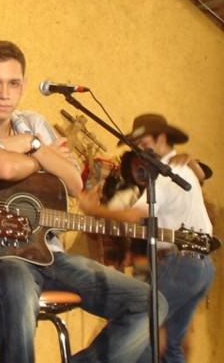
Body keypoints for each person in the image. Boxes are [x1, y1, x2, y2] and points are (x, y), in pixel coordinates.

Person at [0, 40, 167, 363]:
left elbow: (75, 184)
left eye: (14, 83)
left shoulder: (33, 123)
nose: (4, 94)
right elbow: (1, 166)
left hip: (50, 255)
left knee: (151, 303)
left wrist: (30, 145)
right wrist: (42, 155)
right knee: (16, 282)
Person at [80, 114, 216, 362]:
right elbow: (201, 175)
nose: (140, 152)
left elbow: (133, 215)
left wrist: (93, 210)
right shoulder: (181, 168)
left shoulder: (166, 174)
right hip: (203, 267)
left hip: (181, 264)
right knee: (170, 345)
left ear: (162, 139)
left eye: (144, 144)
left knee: (143, 336)